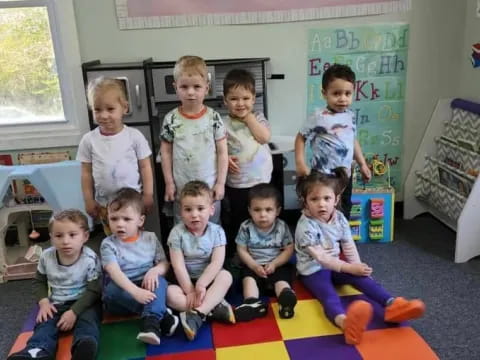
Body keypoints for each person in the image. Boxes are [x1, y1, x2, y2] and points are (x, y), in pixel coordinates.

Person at [294, 169, 425, 345]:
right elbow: (322, 258)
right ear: (305, 202)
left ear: (336, 199)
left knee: (362, 278)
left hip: (337, 263)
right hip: (313, 269)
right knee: (328, 295)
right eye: (314, 199)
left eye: (327, 199)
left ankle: (393, 304)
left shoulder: (339, 218)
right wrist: (349, 267)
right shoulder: (305, 226)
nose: (321, 205)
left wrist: (358, 267)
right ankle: (345, 323)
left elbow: (348, 244)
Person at [8, 210, 101, 360]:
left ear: (85, 236)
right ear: (51, 238)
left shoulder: (90, 259)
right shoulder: (46, 257)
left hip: (85, 303)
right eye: (59, 236)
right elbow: (39, 281)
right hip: (56, 303)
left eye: (72, 235)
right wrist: (44, 303)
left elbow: (94, 290)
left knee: (89, 321)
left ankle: (84, 347)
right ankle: (37, 352)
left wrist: (74, 312)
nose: (65, 241)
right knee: (44, 324)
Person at [100, 188, 178, 345]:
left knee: (160, 282)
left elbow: (164, 263)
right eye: (114, 219)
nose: (119, 224)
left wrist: (155, 270)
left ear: (140, 221)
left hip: (146, 285)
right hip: (123, 292)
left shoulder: (150, 238)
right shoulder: (108, 244)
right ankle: (161, 314)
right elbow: (114, 272)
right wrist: (135, 292)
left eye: (127, 219)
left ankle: (150, 324)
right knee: (110, 291)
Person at [77, 77, 154, 235]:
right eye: (97, 110)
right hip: (105, 205)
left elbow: (145, 167)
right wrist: (88, 200)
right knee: (113, 238)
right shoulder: (88, 140)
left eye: (110, 109)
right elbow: (86, 173)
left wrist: (148, 194)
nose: (104, 115)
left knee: (135, 237)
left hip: (133, 204)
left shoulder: (134, 136)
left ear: (124, 108)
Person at [294, 64, 371, 218]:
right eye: (336, 93)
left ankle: (341, 241)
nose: (342, 99)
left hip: (345, 176)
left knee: (343, 211)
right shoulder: (319, 117)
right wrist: (300, 163)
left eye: (347, 94)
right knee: (321, 211)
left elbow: (352, 141)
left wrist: (362, 164)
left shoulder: (350, 116)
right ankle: (317, 240)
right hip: (323, 176)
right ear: (324, 93)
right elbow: (300, 137)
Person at [160, 55, 228, 224]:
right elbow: (165, 152)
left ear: (207, 88)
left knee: (212, 227)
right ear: (176, 88)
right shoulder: (171, 120)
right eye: (184, 87)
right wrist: (169, 183)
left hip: (210, 189)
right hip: (182, 190)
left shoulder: (214, 118)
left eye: (197, 86)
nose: (190, 92)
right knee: (182, 227)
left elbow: (222, 153)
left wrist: (221, 183)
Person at [166, 181, 235, 341]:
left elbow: (217, 262)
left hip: (208, 280)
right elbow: (178, 265)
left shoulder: (217, 231)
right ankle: (212, 307)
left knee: (226, 277)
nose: (194, 214)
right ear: (181, 212)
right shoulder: (177, 233)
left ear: (211, 210)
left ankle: (197, 314)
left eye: (200, 209)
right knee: (169, 294)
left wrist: (202, 284)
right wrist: (190, 290)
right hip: (185, 281)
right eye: (188, 209)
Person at [222, 69, 273, 257]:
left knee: (263, 218)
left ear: (253, 99)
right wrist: (224, 158)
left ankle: (263, 252)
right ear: (225, 100)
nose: (240, 103)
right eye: (234, 99)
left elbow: (264, 137)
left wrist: (248, 117)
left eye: (246, 98)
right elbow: (215, 149)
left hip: (260, 182)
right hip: (237, 183)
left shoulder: (258, 118)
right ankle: (240, 256)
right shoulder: (221, 123)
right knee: (239, 221)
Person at [234, 183, 297, 322]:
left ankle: (285, 299)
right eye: (257, 210)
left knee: (282, 279)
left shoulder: (281, 226)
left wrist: (275, 263)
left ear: (277, 211)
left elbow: (289, 249)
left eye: (268, 210)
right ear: (250, 210)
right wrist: (253, 265)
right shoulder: (246, 227)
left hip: (276, 264)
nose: (263, 215)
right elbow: (241, 249)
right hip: (253, 264)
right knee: (248, 280)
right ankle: (252, 302)